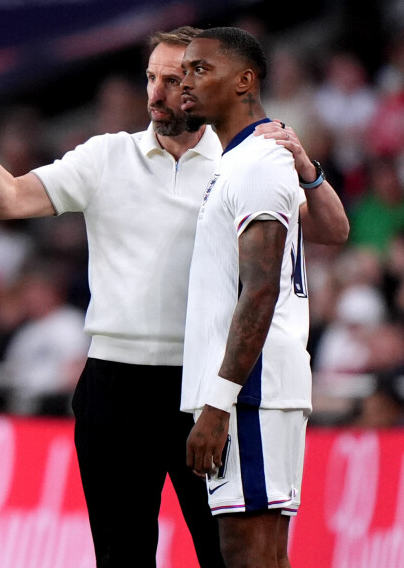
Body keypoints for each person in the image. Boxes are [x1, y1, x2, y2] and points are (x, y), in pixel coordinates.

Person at [0, 26, 348, 568]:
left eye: (175, 78)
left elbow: (330, 231)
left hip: (203, 384)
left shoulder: (242, 158)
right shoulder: (106, 156)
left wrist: (307, 168)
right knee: (121, 555)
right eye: (151, 77)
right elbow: (9, 199)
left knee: (226, 554)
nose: (156, 91)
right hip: (115, 383)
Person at [179, 27, 316, 568]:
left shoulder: (257, 162)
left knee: (248, 552)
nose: (184, 83)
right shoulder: (242, 159)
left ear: (245, 80)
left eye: (199, 70)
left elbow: (259, 291)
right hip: (251, 388)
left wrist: (218, 402)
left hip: (250, 390)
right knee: (258, 552)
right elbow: (333, 228)